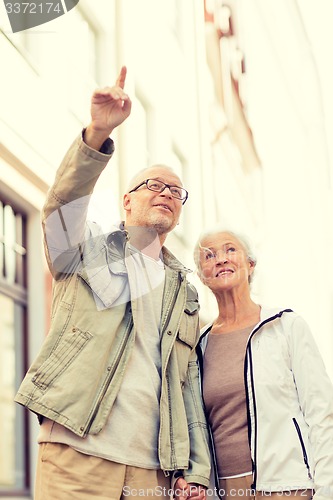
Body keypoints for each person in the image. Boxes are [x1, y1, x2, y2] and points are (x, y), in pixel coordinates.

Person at [14, 66, 210, 500]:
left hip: (153, 472)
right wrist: (96, 135)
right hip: (77, 457)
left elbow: (187, 381)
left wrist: (194, 468)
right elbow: (61, 206)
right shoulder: (84, 253)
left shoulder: (187, 294)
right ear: (127, 200)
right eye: (154, 185)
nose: (166, 193)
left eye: (176, 191)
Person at [194, 227, 333, 500]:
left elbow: (322, 412)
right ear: (202, 277)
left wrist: (327, 489)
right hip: (224, 492)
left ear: (250, 264)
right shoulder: (198, 346)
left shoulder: (285, 326)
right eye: (209, 256)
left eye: (230, 250)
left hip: (288, 487)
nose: (221, 259)